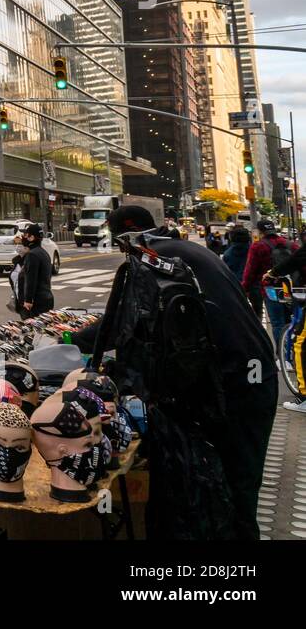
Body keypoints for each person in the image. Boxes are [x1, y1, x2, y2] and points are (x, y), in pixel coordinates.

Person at [97, 205, 278, 540]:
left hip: (234, 382)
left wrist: (65, 338)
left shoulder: (150, 260)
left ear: (126, 235)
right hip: (256, 373)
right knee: (240, 487)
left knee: (233, 496)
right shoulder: (188, 250)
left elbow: (117, 324)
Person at [15, 222, 54, 316]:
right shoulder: (43, 253)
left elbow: (31, 279)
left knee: (32, 328)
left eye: (25, 235)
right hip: (46, 298)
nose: (23, 237)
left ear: (31, 238)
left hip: (36, 303)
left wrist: (28, 300)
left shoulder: (32, 255)